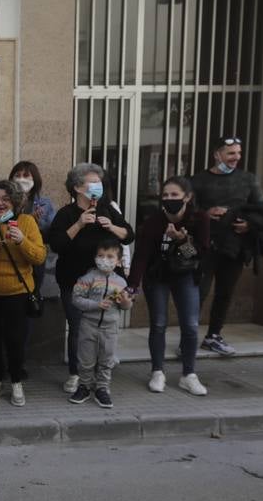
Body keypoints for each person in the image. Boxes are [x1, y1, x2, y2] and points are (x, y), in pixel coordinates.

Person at [46, 163, 133, 394]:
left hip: (108, 281)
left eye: (99, 183)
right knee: (78, 328)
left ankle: (101, 373)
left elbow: (128, 235)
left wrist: (112, 226)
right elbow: (57, 244)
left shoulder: (107, 209)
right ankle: (77, 374)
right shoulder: (66, 214)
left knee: (107, 325)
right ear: (77, 187)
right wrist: (79, 224)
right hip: (75, 281)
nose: (98, 187)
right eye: (92, 183)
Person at [129, 176, 211, 396]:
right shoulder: (153, 221)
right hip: (157, 276)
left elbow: (200, 255)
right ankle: (157, 371)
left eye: (174, 195)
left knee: (191, 324)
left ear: (188, 197)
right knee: (158, 323)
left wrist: (181, 240)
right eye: (165, 195)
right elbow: (141, 257)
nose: (169, 199)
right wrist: (132, 286)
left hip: (185, 276)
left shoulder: (199, 219)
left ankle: (189, 374)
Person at [192, 137, 263, 357]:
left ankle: (214, 336)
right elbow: (187, 212)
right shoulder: (198, 180)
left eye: (238, 153)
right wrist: (205, 215)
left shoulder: (248, 180)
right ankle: (189, 337)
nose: (236, 158)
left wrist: (249, 225)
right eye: (230, 153)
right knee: (199, 293)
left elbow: (262, 209)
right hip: (205, 246)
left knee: (225, 292)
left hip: (235, 246)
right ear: (217, 154)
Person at [0, 180, 47, 405]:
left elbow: (39, 256)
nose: (0, 203)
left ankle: (16, 382)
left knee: (15, 339)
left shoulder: (26, 222)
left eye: (5, 199)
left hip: (17, 292)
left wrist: (22, 241)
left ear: (14, 201)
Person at [68, 237, 134, 408]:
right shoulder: (87, 278)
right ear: (95, 258)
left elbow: (126, 306)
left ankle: (102, 389)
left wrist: (125, 301)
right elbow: (76, 299)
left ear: (119, 261)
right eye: (101, 255)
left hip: (110, 328)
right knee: (86, 359)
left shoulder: (121, 282)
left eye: (110, 256)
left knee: (107, 359)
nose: (105, 260)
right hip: (88, 325)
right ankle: (84, 386)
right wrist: (96, 305)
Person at [10, 160, 56, 305]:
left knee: (32, 293)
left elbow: (52, 232)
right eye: (17, 175)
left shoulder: (45, 203)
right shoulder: (5, 201)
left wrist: (36, 224)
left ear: (34, 179)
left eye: (26, 175)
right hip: (12, 253)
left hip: (34, 255)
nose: (21, 179)